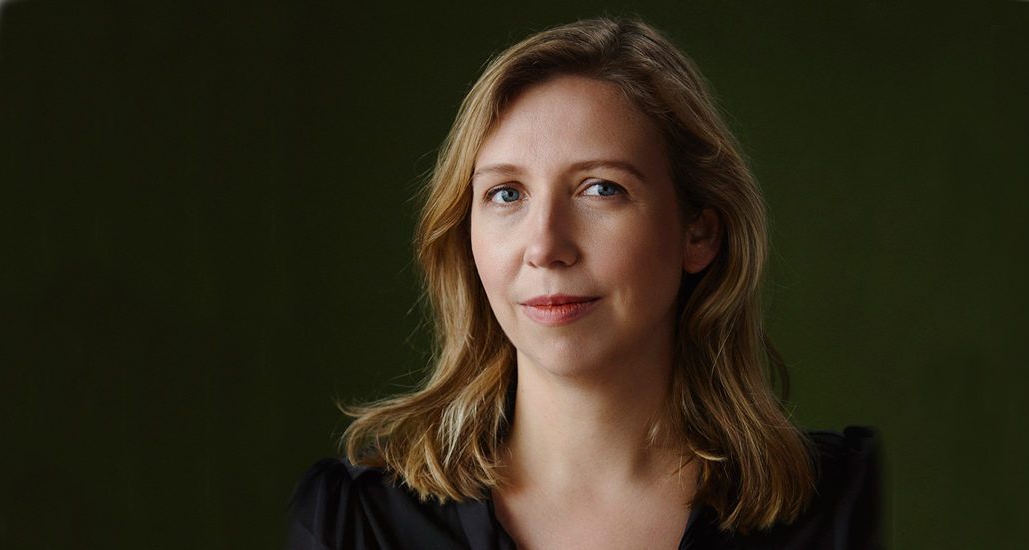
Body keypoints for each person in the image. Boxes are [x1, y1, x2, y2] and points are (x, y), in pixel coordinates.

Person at [287, 17, 879, 550]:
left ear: (698, 233)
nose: (545, 246)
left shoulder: (853, 508)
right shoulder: (348, 524)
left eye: (601, 189)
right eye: (506, 194)